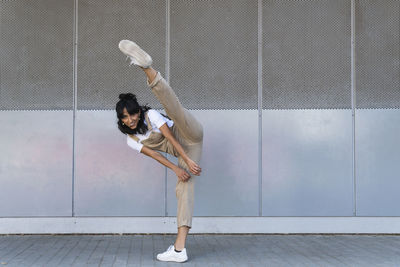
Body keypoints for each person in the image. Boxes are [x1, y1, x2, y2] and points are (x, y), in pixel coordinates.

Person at [116, 40, 204, 263]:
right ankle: (179, 250)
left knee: (174, 108)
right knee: (184, 188)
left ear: (138, 111)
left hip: (186, 133)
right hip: (188, 151)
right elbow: (155, 155)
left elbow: (171, 138)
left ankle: (146, 67)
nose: (131, 119)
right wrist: (178, 168)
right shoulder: (131, 140)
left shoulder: (151, 115)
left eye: (133, 113)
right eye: (125, 117)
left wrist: (185, 160)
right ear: (121, 120)